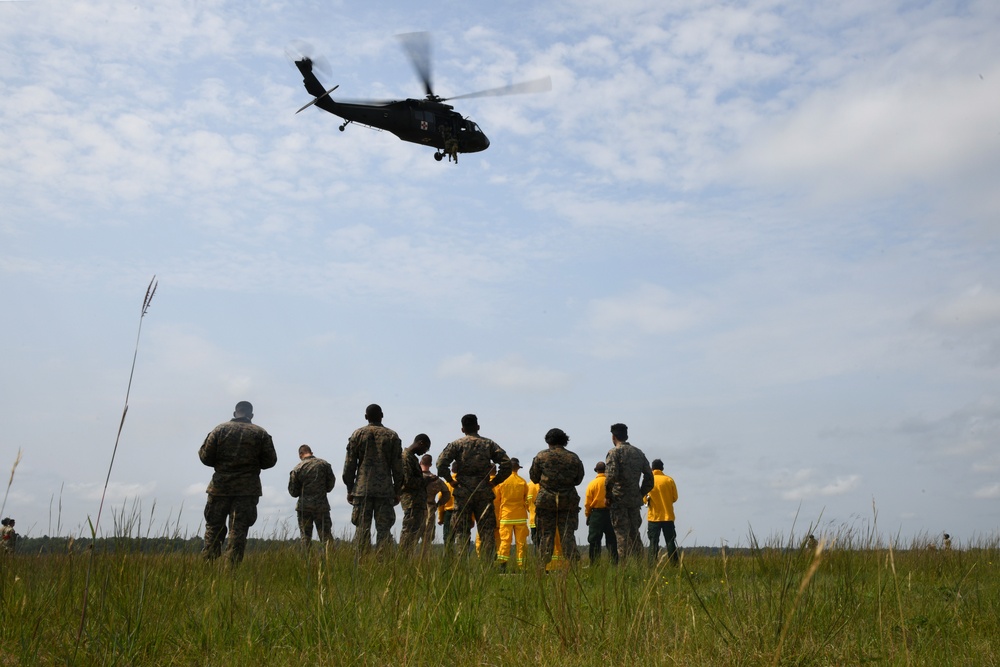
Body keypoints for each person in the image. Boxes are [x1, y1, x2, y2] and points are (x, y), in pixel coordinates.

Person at [198, 401, 278, 565]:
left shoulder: (219, 430)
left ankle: (208, 567)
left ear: (235, 413)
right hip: (247, 490)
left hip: (220, 488)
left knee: (214, 528)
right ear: (251, 415)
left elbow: (205, 457)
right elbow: (270, 461)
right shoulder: (260, 434)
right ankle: (230, 571)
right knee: (238, 531)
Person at [436, 413, 511, 560]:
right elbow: (506, 464)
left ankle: (461, 565)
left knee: (461, 531)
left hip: (463, 491)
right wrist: (495, 481)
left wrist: (450, 481)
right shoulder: (489, 444)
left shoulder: (457, 444)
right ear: (478, 427)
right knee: (487, 531)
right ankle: (487, 566)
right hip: (483, 490)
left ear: (462, 429)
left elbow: (440, 464)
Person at [343, 404, 404, 553]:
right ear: (382, 415)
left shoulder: (358, 434)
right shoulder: (392, 436)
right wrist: (397, 490)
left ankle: (362, 563)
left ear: (365, 417)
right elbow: (398, 467)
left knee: (362, 531)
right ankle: (383, 565)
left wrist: (349, 488)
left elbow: (349, 465)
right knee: (384, 531)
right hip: (385, 491)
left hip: (362, 490)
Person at [529, 428, 585, 568]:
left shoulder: (541, 456)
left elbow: (534, 478)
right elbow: (578, 480)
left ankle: (542, 566)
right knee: (567, 534)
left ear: (548, 441)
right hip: (568, 501)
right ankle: (573, 567)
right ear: (565, 441)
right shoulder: (574, 457)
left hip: (546, 501)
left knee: (546, 535)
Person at [605, 422, 654, 563]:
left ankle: (623, 567)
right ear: (626, 435)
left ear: (613, 437)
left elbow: (610, 476)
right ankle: (639, 565)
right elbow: (649, 477)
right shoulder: (638, 452)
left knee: (621, 535)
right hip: (634, 500)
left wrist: (607, 496)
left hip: (618, 500)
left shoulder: (613, 453)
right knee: (634, 534)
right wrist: (640, 493)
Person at [288, 444, 337, 548]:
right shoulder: (324, 465)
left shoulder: (297, 468)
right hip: (321, 506)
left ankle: (306, 562)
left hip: (304, 508)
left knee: (305, 538)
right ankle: (330, 561)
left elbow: (293, 492)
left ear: (300, 454)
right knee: (326, 536)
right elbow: (331, 484)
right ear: (311, 452)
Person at [495, 458, 530, 569]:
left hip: (506, 516)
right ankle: (522, 566)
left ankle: (503, 565)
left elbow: (497, 500)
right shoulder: (522, 481)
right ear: (517, 468)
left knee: (505, 541)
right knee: (521, 542)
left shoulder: (502, 481)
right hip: (520, 516)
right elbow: (526, 499)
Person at [399, 434, 431, 555]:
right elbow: (408, 481)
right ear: (420, 443)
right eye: (426, 448)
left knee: (414, 534)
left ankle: (407, 557)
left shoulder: (412, 458)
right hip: (411, 502)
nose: (425, 452)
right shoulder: (406, 457)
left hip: (417, 502)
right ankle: (403, 559)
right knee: (409, 534)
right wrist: (425, 480)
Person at [644, 458, 679, 565]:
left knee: (653, 542)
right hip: (668, 517)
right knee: (670, 541)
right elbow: (675, 498)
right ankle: (674, 564)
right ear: (662, 468)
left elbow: (644, 499)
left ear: (652, 468)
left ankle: (651, 565)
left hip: (653, 517)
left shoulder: (649, 480)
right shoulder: (669, 480)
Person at [585, 461, 618, 565]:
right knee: (612, 540)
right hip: (610, 513)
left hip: (596, 514)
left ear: (597, 471)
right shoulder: (612, 483)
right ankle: (614, 563)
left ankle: (594, 564)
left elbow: (587, 503)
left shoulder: (592, 484)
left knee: (594, 541)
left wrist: (588, 514)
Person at [419, 453, 451, 551]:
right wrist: (438, 504)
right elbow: (447, 494)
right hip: (430, 508)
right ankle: (425, 559)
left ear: (420, 462)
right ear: (431, 464)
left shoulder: (416, 478)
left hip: (417, 507)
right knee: (427, 537)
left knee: (413, 534)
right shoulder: (436, 480)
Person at [439, 462, 458, 544]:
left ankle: (448, 555)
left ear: (451, 470)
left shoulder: (446, 484)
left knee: (448, 537)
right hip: (462, 512)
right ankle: (463, 555)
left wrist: (440, 517)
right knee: (463, 535)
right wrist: (472, 519)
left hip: (448, 513)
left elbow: (441, 501)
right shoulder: (465, 484)